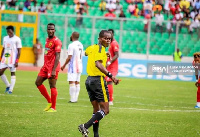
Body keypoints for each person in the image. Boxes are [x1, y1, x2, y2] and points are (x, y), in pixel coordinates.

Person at [78, 30, 120, 137]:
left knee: (96, 110)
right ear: (100, 39)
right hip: (98, 81)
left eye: (109, 38)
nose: (108, 40)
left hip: (89, 81)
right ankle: (85, 126)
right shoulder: (101, 49)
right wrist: (111, 76)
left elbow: (86, 53)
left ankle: (96, 135)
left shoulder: (93, 48)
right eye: (105, 38)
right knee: (105, 110)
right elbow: (98, 64)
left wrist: (104, 54)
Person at [35, 23, 62, 112]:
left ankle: (53, 108)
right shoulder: (47, 40)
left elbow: (58, 56)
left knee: (52, 85)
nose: (50, 31)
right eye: (49, 29)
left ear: (54, 30)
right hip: (46, 66)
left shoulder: (57, 41)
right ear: (47, 30)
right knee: (38, 82)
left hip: (53, 67)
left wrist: (53, 70)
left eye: (52, 29)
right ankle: (49, 101)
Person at [61, 32, 83, 103]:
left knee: (72, 82)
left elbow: (70, 57)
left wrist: (64, 65)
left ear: (72, 36)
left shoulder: (71, 45)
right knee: (77, 82)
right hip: (79, 65)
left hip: (73, 66)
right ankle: (75, 98)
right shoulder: (80, 44)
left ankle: (72, 99)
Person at [0, 25, 22, 94]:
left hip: (12, 59)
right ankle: (8, 85)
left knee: (12, 73)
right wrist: (0, 58)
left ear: (13, 31)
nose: (8, 33)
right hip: (5, 58)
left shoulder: (17, 39)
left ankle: (10, 89)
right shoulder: (5, 38)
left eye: (9, 31)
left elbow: (19, 51)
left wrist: (17, 61)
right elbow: (3, 48)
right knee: (0, 72)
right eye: (7, 31)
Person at [105, 29, 119, 106]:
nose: (109, 35)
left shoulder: (114, 43)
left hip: (112, 66)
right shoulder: (109, 43)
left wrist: (110, 62)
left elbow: (117, 55)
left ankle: (110, 100)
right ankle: (107, 98)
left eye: (110, 34)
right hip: (108, 66)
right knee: (106, 81)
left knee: (109, 81)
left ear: (113, 34)